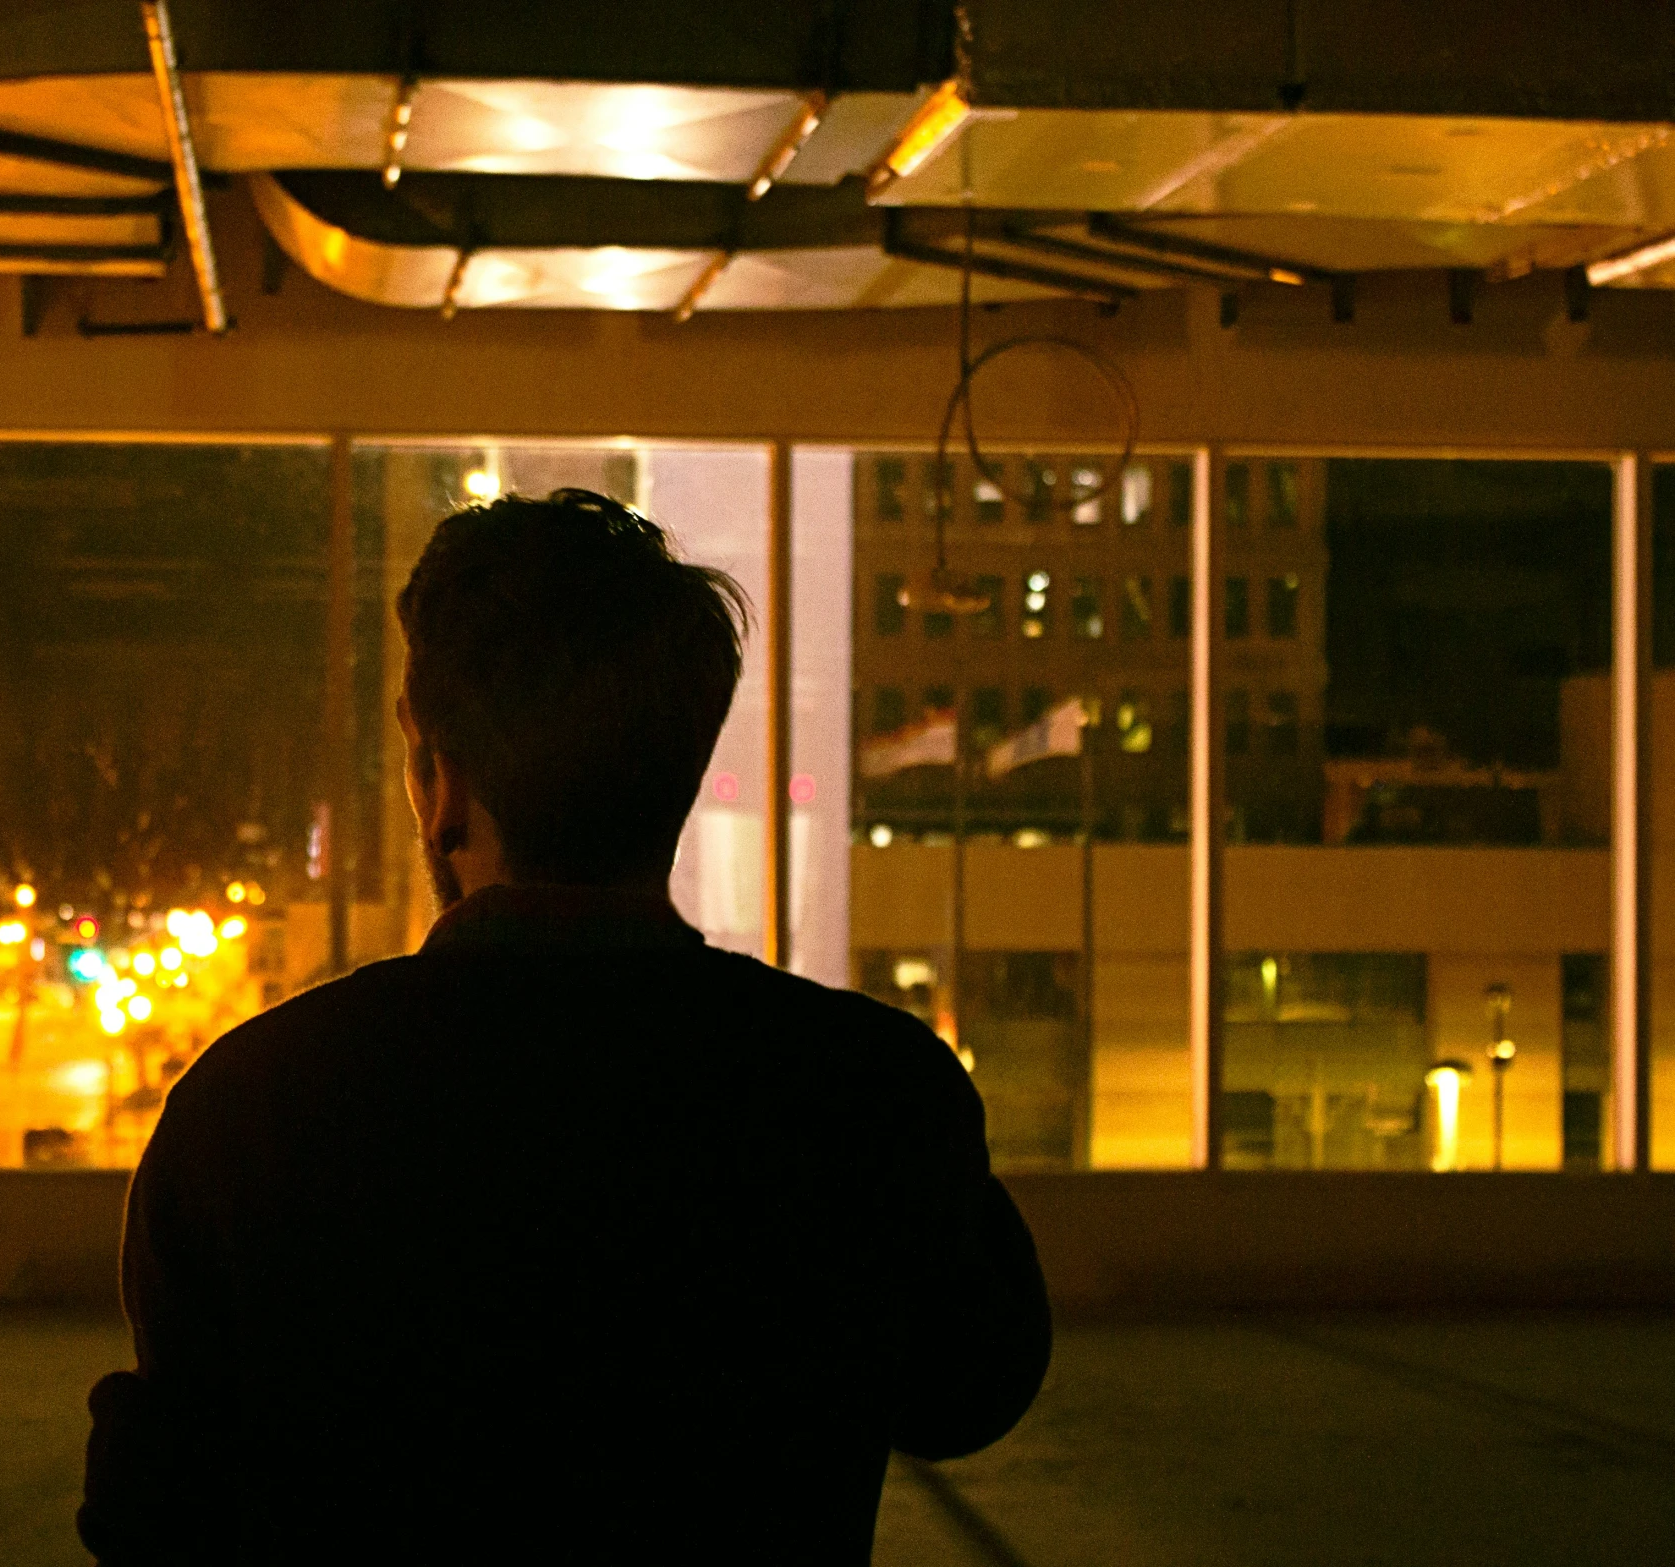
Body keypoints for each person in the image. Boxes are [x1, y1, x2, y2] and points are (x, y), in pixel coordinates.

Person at [80, 489, 1048, 1565]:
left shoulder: (251, 1107)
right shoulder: (867, 1089)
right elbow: (969, 1389)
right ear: (674, 779)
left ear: (442, 785)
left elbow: (157, 1510)